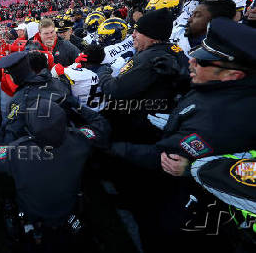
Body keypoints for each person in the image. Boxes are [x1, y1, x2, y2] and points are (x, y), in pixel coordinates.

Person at [109, 17, 256, 252]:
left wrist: (109, 147)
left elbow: (166, 157)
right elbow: (204, 90)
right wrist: (178, 81)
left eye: (203, 62)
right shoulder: (230, 88)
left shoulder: (217, 119)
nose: (192, 62)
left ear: (233, 74)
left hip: (195, 205)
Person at [0, 97, 110, 252]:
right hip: (69, 209)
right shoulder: (80, 138)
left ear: (30, 130)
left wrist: (3, 127)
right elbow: (102, 125)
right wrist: (78, 106)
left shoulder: (16, 152)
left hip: (33, 214)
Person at [98, 9, 190, 143]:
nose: (133, 35)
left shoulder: (148, 58)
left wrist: (103, 72)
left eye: (138, 31)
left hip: (143, 131)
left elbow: (114, 90)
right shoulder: (174, 49)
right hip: (165, 124)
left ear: (151, 36)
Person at [0, 51, 70, 143]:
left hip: (38, 147)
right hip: (66, 139)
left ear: (16, 76)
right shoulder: (59, 83)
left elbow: (11, 134)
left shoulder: (21, 99)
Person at [170, 0, 236, 57]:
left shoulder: (222, 50)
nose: (189, 19)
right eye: (192, 14)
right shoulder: (179, 32)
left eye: (197, 15)